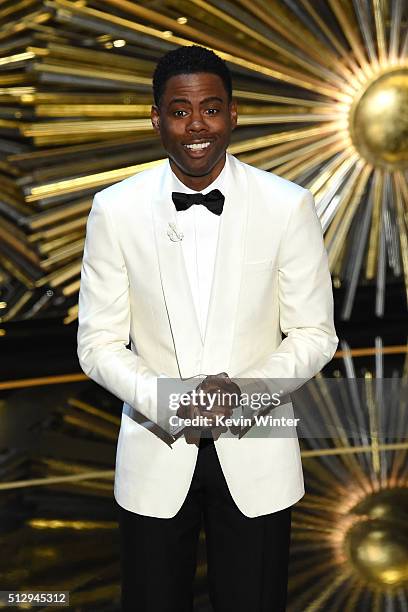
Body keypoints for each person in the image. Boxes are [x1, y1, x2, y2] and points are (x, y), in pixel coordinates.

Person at [77, 45, 338, 612]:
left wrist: (240, 394)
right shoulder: (115, 210)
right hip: (154, 454)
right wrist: (171, 401)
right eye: (179, 111)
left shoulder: (287, 205)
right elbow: (96, 344)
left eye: (211, 109)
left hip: (258, 455)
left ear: (233, 114)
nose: (197, 125)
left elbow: (315, 333)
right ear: (156, 118)